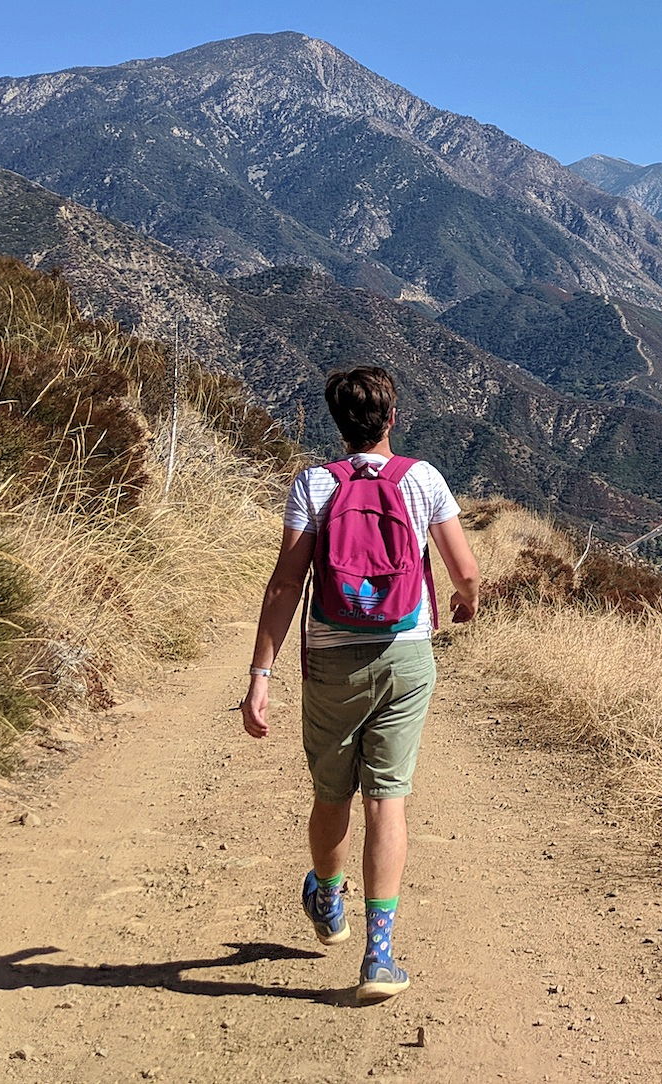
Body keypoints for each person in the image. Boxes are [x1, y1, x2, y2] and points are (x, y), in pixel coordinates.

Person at [241, 366, 482, 1003]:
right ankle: (380, 956)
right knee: (388, 798)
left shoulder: (315, 484)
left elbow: (285, 585)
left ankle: (327, 894)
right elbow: (465, 567)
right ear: (391, 419)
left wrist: (260, 675)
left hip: (330, 659)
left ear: (338, 422)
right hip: (405, 656)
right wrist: (466, 602)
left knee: (332, 793)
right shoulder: (423, 479)